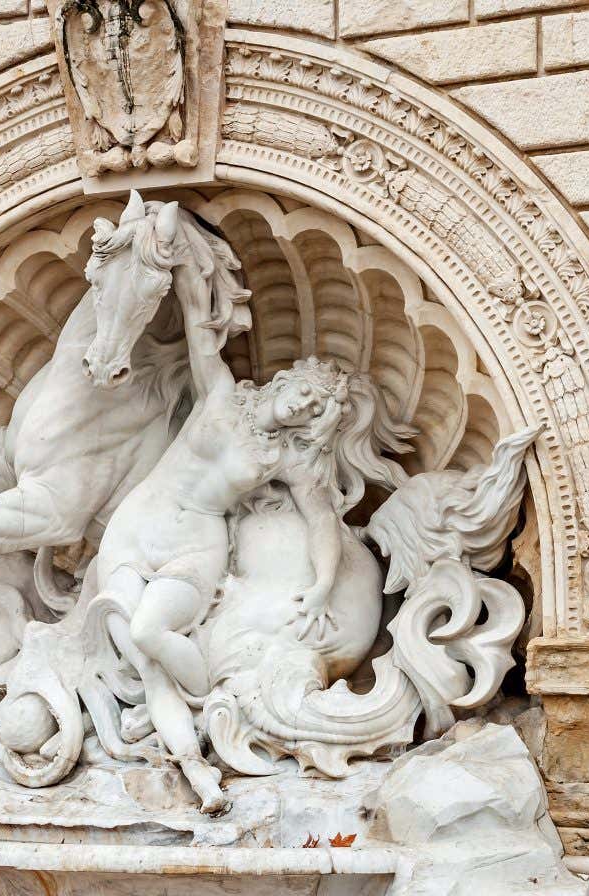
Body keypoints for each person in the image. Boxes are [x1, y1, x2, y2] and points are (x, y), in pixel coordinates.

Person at [91, 270, 408, 813]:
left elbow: (321, 522)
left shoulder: (286, 459)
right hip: (137, 525)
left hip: (196, 545)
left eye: (315, 411)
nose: (304, 406)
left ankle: (205, 713)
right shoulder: (218, 391)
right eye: (305, 392)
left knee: (148, 633)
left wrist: (324, 584)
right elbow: (197, 322)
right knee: (145, 664)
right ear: (285, 380)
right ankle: (193, 759)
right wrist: (176, 260)